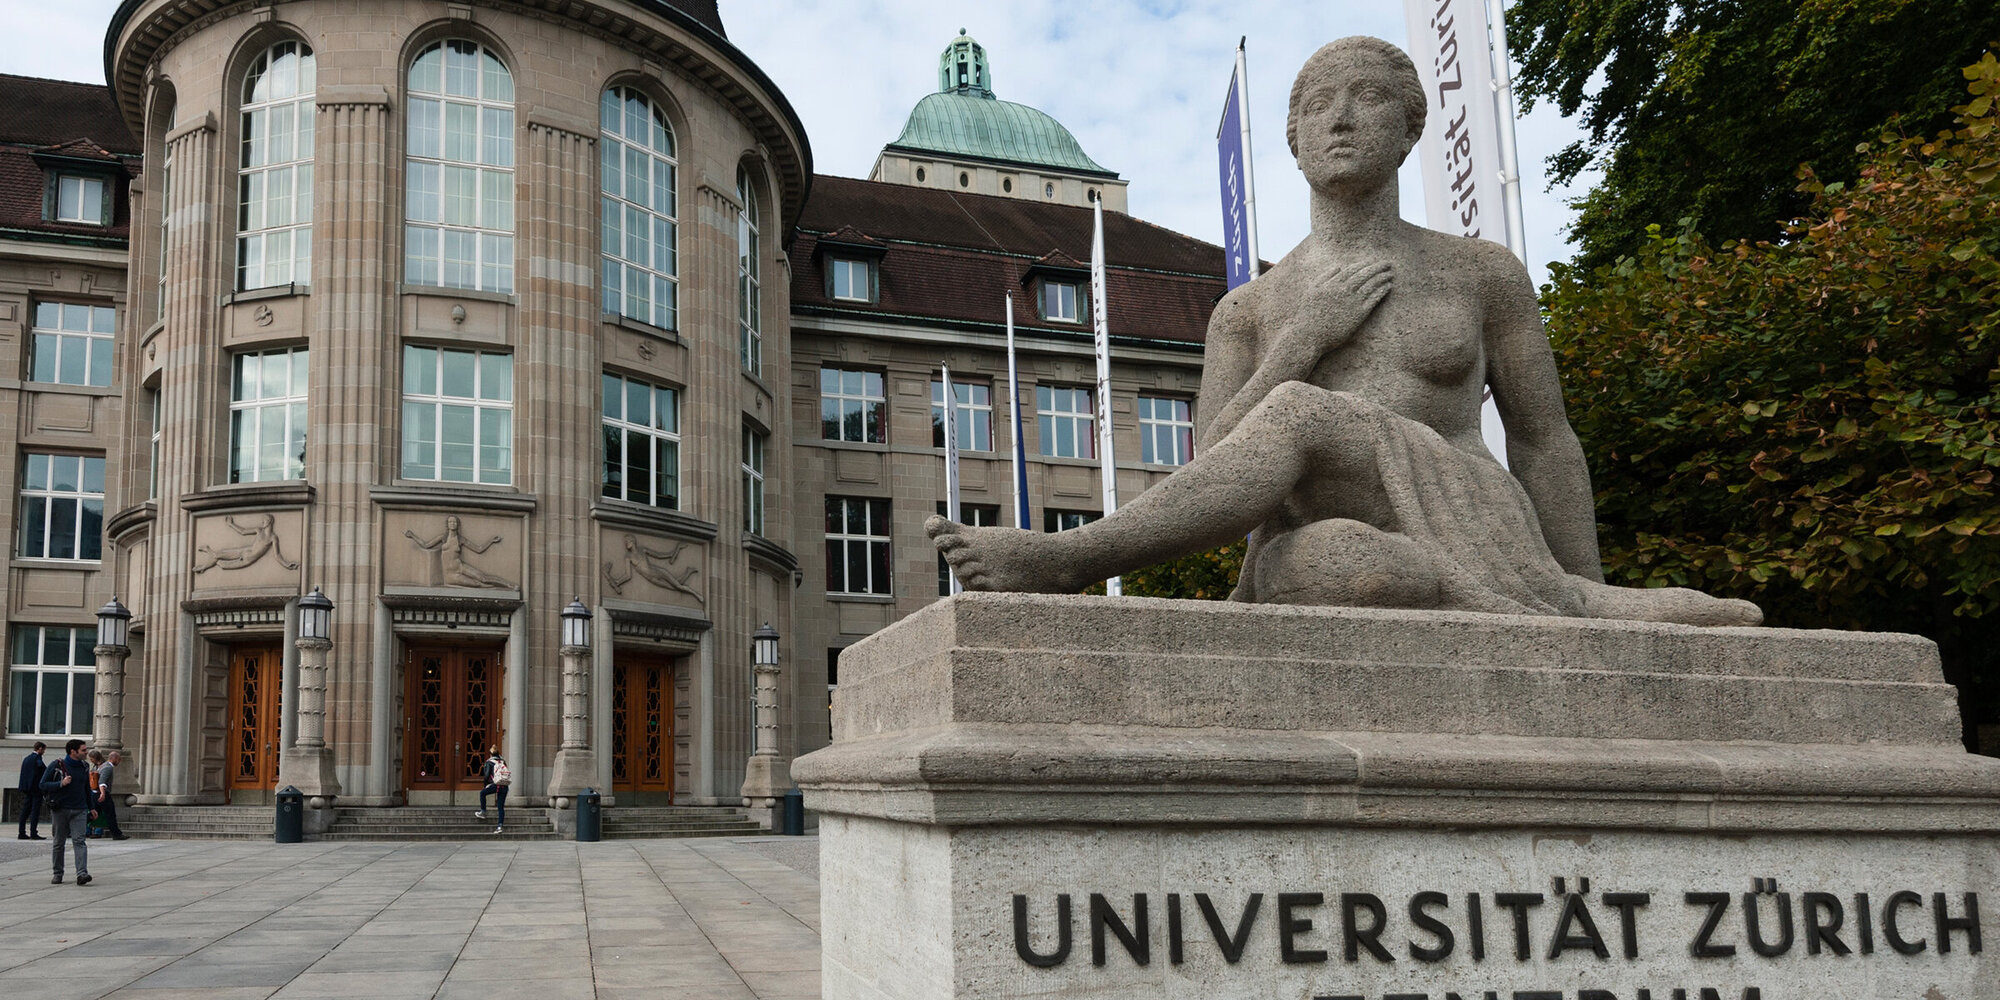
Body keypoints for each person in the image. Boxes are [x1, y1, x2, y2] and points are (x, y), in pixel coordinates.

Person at [929, 36, 1760, 628]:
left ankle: (1067, 560)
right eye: (1319, 104)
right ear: (1293, 141)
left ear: (1409, 126)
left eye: (1366, 98)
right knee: (1353, 569)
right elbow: (1219, 460)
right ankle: (1488, 589)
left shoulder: (1482, 272)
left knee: (1295, 412)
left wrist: (1577, 591)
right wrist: (1301, 343)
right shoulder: (1248, 310)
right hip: (1325, 536)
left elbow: (1545, 440)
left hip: (1467, 506)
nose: (1341, 118)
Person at [40, 739, 96, 885]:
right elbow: (42, 784)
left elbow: (87, 788)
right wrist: (61, 783)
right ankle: (58, 873)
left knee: (80, 841)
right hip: (60, 809)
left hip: (80, 809)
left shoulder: (84, 766)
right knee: (59, 843)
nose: (86, 752)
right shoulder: (57, 765)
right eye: (83, 750)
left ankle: (82, 874)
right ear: (73, 751)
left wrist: (92, 807)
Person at [16, 741, 46, 840]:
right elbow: (43, 770)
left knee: (25, 810)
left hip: (27, 788)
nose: (44, 752)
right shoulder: (37, 758)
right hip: (35, 788)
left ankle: (21, 832)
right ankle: (33, 832)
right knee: (35, 811)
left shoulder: (27, 758)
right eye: (44, 750)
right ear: (40, 749)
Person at [474, 746, 507, 834]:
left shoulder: (489, 762)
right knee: (500, 807)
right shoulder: (503, 761)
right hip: (504, 785)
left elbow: (487, 775)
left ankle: (483, 811)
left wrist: (485, 785)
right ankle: (500, 826)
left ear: (491, 754)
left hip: (495, 784)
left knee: (482, 793)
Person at [96, 749, 128, 840]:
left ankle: (69, 829)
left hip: (98, 793)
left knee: (95, 813)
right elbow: (102, 782)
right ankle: (116, 834)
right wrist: (103, 793)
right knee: (110, 814)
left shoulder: (102, 766)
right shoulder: (108, 767)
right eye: (119, 759)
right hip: (104, 794)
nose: (119, 762)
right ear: (115, 758)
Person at [84, 749, 104, 838]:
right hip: (93, 791)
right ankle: (88, 830)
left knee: (98, 812)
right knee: (91, 811)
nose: (90, 760)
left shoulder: (103, 766)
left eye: (91, 758)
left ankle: (98, 831)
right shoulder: (94, 766)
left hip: (99, 791)